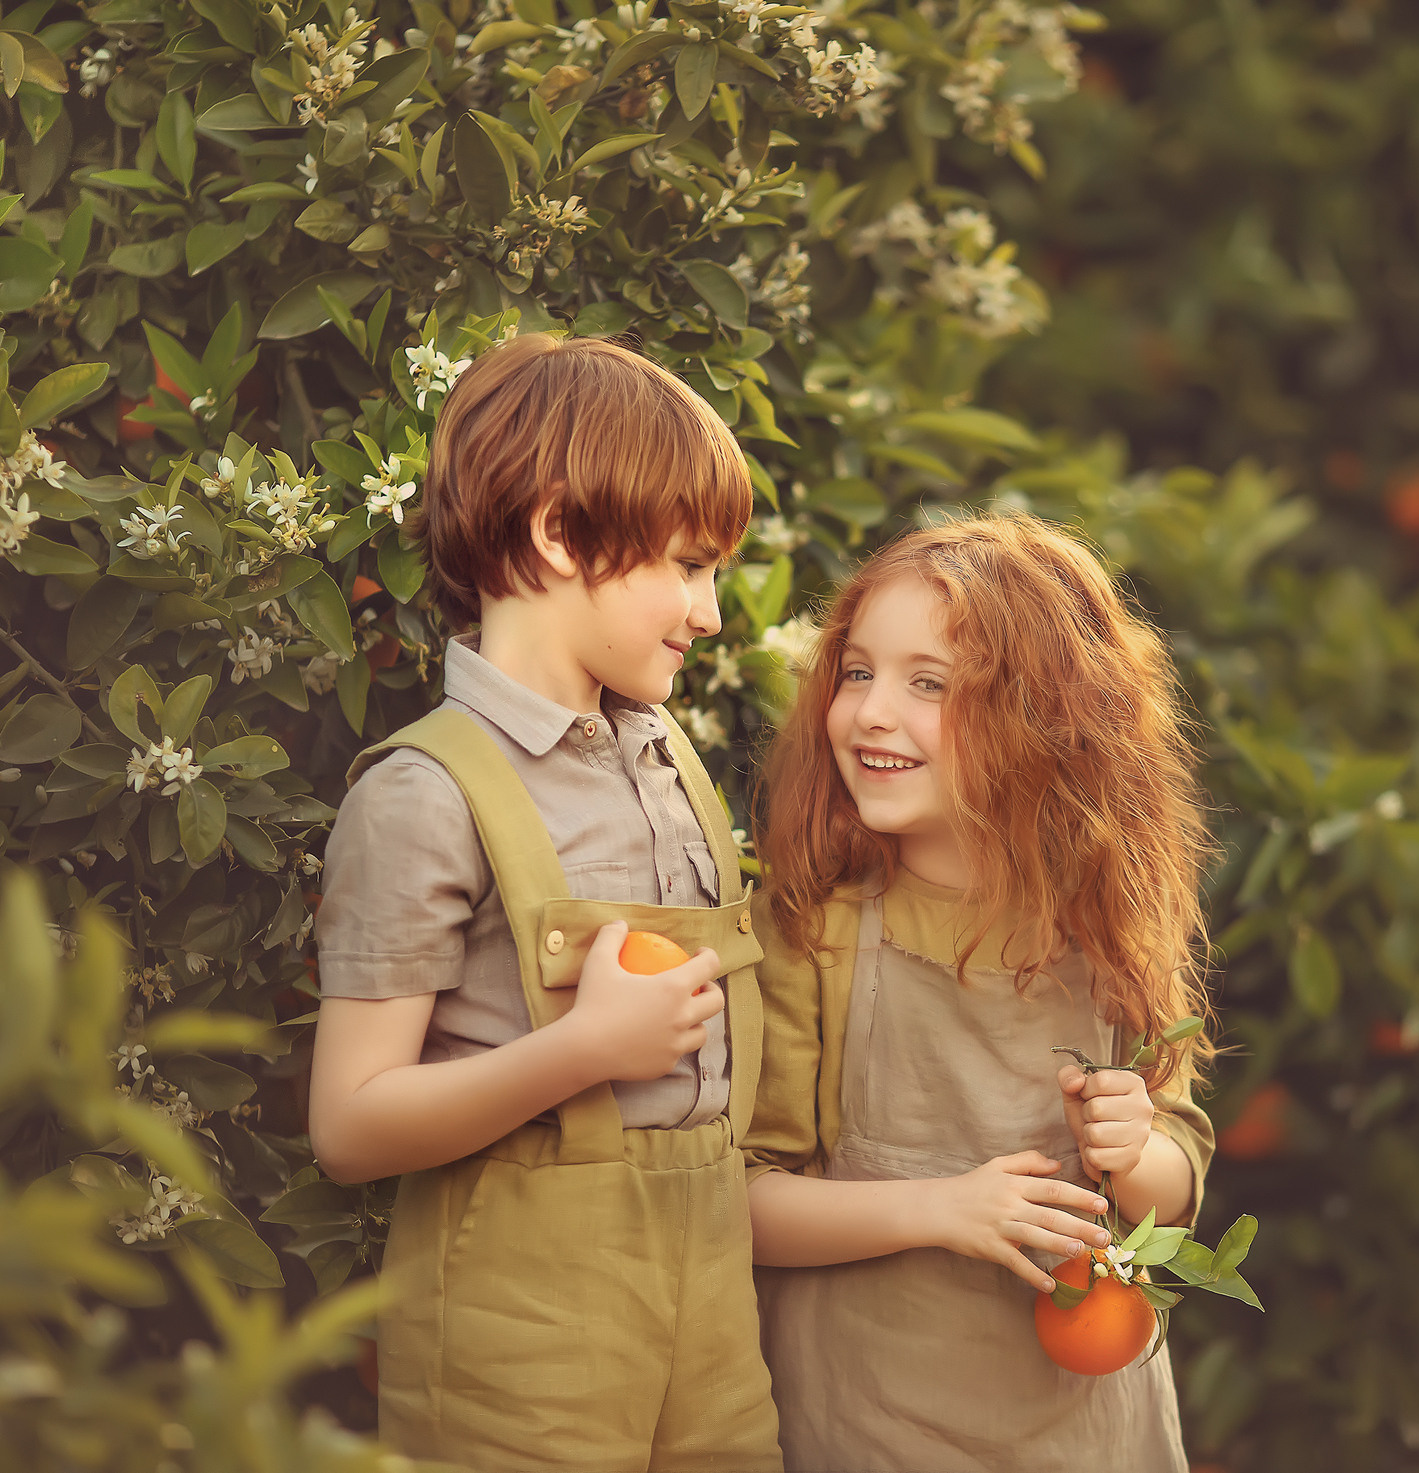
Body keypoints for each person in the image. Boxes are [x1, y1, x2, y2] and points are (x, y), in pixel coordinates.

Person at [309, 334, 781, 1473]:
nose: (709, 612)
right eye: (685, 564)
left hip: (716, 1323)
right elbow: (351, 1125)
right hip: (519, 1348)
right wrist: (580, 1052)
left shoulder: (667, 753)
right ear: (560, 532)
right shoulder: (424, 793)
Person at [743, 511, 1218, 1473]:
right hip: (873, 1420)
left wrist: (1135, 1150)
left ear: (1044, 721)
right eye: (858, 672)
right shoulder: (812, 928)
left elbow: (1173, 1192)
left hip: (1089, 1431)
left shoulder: (1103, 929)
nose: (872, 711)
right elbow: (738, 1203)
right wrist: (939, 1208)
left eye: (930, 685)